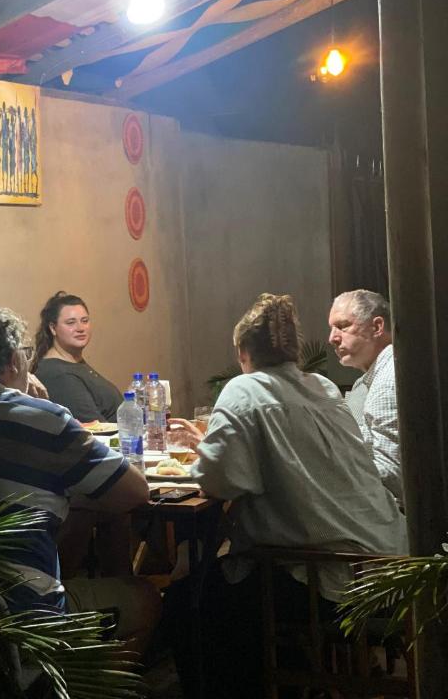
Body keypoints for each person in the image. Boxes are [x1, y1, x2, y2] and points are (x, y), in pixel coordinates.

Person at [169, 294, 407, 699]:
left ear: (243, 353)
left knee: (189, 599)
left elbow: (218, 481)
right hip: (386, 562)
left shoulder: (244, 389)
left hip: (330, 579)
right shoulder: (323, 387)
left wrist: (207, 453)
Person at [0, 306, 157, 648]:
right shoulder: (43, 418)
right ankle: (69, 671)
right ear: (14, 360)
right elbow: (136, 492)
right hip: (20, 617)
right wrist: (45, 412)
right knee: (145, 596)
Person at [328, 289, 401, 506]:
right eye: (331, 328)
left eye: (343, 326)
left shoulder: (389, 379)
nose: (332, 338)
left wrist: (323, 475)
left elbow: (393, 474)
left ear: (377, 327)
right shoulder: (367, 381)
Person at [33, 292, 123, 423]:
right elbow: (94, 428)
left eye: (84, 321)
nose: (80, 328)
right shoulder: (58, 374)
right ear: (53, 328)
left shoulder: (74, 362)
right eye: (71, 323)